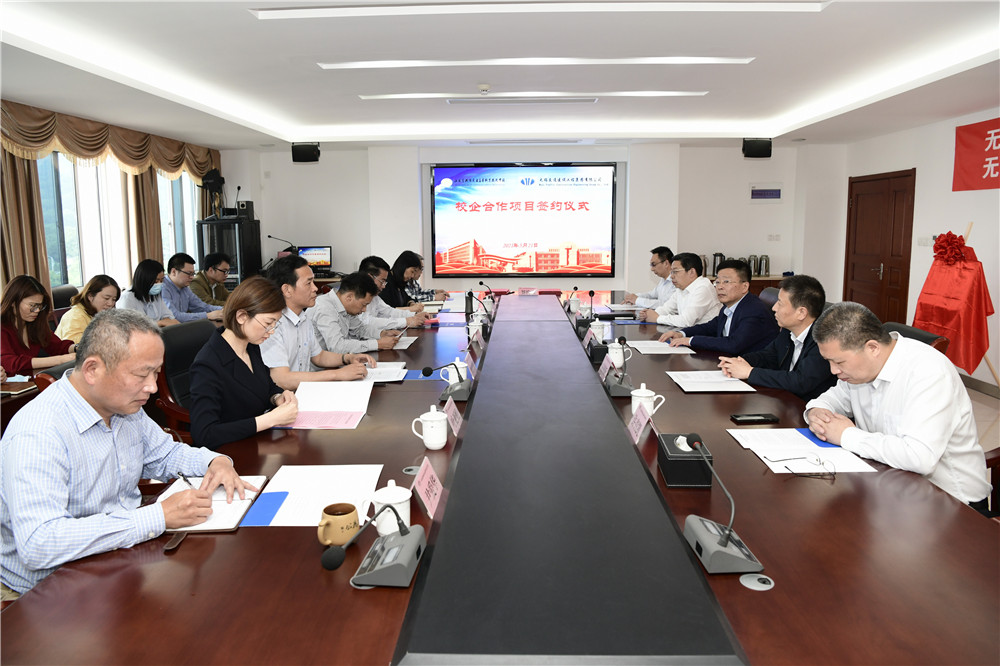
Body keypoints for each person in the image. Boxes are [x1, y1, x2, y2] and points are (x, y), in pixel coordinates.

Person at [0, 308, 256, 595]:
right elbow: (39, 544)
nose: (152, 387)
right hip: (47, 591)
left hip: (119, 560)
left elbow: (164, 455)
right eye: (141, 374)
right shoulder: (38, 432)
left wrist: (214, 461)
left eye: (156, 372)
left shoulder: (123, 406)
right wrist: (157, 516)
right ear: (92, 370)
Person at [804, 302, 991, 511]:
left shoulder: (928, 372)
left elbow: (920, 457)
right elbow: (831, 399)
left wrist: (846, 435)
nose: (833, 370)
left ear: (873, 348)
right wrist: (816, 412)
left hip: (952, 502)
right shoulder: (858, 372)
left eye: (839, 362)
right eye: (828, 361)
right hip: (889, 485)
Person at [189, 277, 298, 449]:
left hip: (255, 442)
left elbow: (265, 386)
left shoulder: (251, 345)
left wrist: (278, 397)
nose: (271, 331)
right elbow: (205, 434)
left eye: (275, 324)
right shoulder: (208, 364)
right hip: (228, 452)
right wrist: (270, 419)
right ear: (241, 316)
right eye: (268, 323)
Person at [260, 255, 375, 391]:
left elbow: (318, 356)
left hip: (303, 392)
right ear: (287, 290)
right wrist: (337, 374)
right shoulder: (272, 325)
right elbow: (282, 379)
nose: (315, 288)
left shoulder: (303, 318)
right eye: (308, 283)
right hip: (283, 398)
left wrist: (347, 358)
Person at [718, 275, 837, 401]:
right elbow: (769, 356)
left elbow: (800, 381)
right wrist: (740, 361)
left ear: (801, 313)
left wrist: (749, 372)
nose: (774, 308)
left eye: (780, 303)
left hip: (811, 407)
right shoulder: (788, 330)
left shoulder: (824, 340)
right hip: (786, 401)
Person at [658, 260, 777, 355]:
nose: (720, 287)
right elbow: (710, 327)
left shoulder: (753, 310)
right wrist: (681, 333)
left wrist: (690, 341)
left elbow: (734, 344)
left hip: (752, 369)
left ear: (744, 286)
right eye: (718, 282)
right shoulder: (729, 307)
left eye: (726, 282)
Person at [0, 275, 76, 375]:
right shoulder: (2, 327)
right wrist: (60, 360)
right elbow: (8, 362)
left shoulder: (34, 324)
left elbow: (58, 347)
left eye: (40, 306)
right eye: (32, 305)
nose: (37, 310)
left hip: (30, 381)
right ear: (13, 302)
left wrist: (78, 348)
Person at [312, 272, 401, 354]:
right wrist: (377, 344)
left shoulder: (345, 307)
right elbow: (337, 346)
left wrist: (382, 334)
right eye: (363, 305)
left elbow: (360, 329)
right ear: (349, 297)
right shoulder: (324, 308)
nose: (364, 310)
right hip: (322, 365)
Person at [639, 252, 720, 328]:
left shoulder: (703, 288)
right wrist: (649, 314)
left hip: (706, 336)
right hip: (689, 333)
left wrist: (657, 318)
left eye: (675, 271)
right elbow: (667, 308)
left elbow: (686, 321)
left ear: (691, 272)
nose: (671, 276)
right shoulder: (681, 287)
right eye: (671, 272)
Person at [54, 274, 121, 343]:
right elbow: (76, 345)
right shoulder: (75, 316)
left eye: (114, 299)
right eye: (106, 298)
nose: (110, 303)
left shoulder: (102, 315)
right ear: (90, 296)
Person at [161, 253, 223, 323]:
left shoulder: (185, 288)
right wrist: (208, 315)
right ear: (174, 272)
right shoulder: (163, 288)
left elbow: (202, 307)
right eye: (189, 273)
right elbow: (174, 316)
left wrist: (223, 309)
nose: (192, 277)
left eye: (193, 274)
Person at [118, 259, 181, 327]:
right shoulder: (127, 298)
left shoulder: (155, 295)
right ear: (145, 280)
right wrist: (159, 323)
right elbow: (130, 326)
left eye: (161, 280)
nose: (159, 284)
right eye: (156, 281)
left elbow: (168, 317)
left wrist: (165, 322)